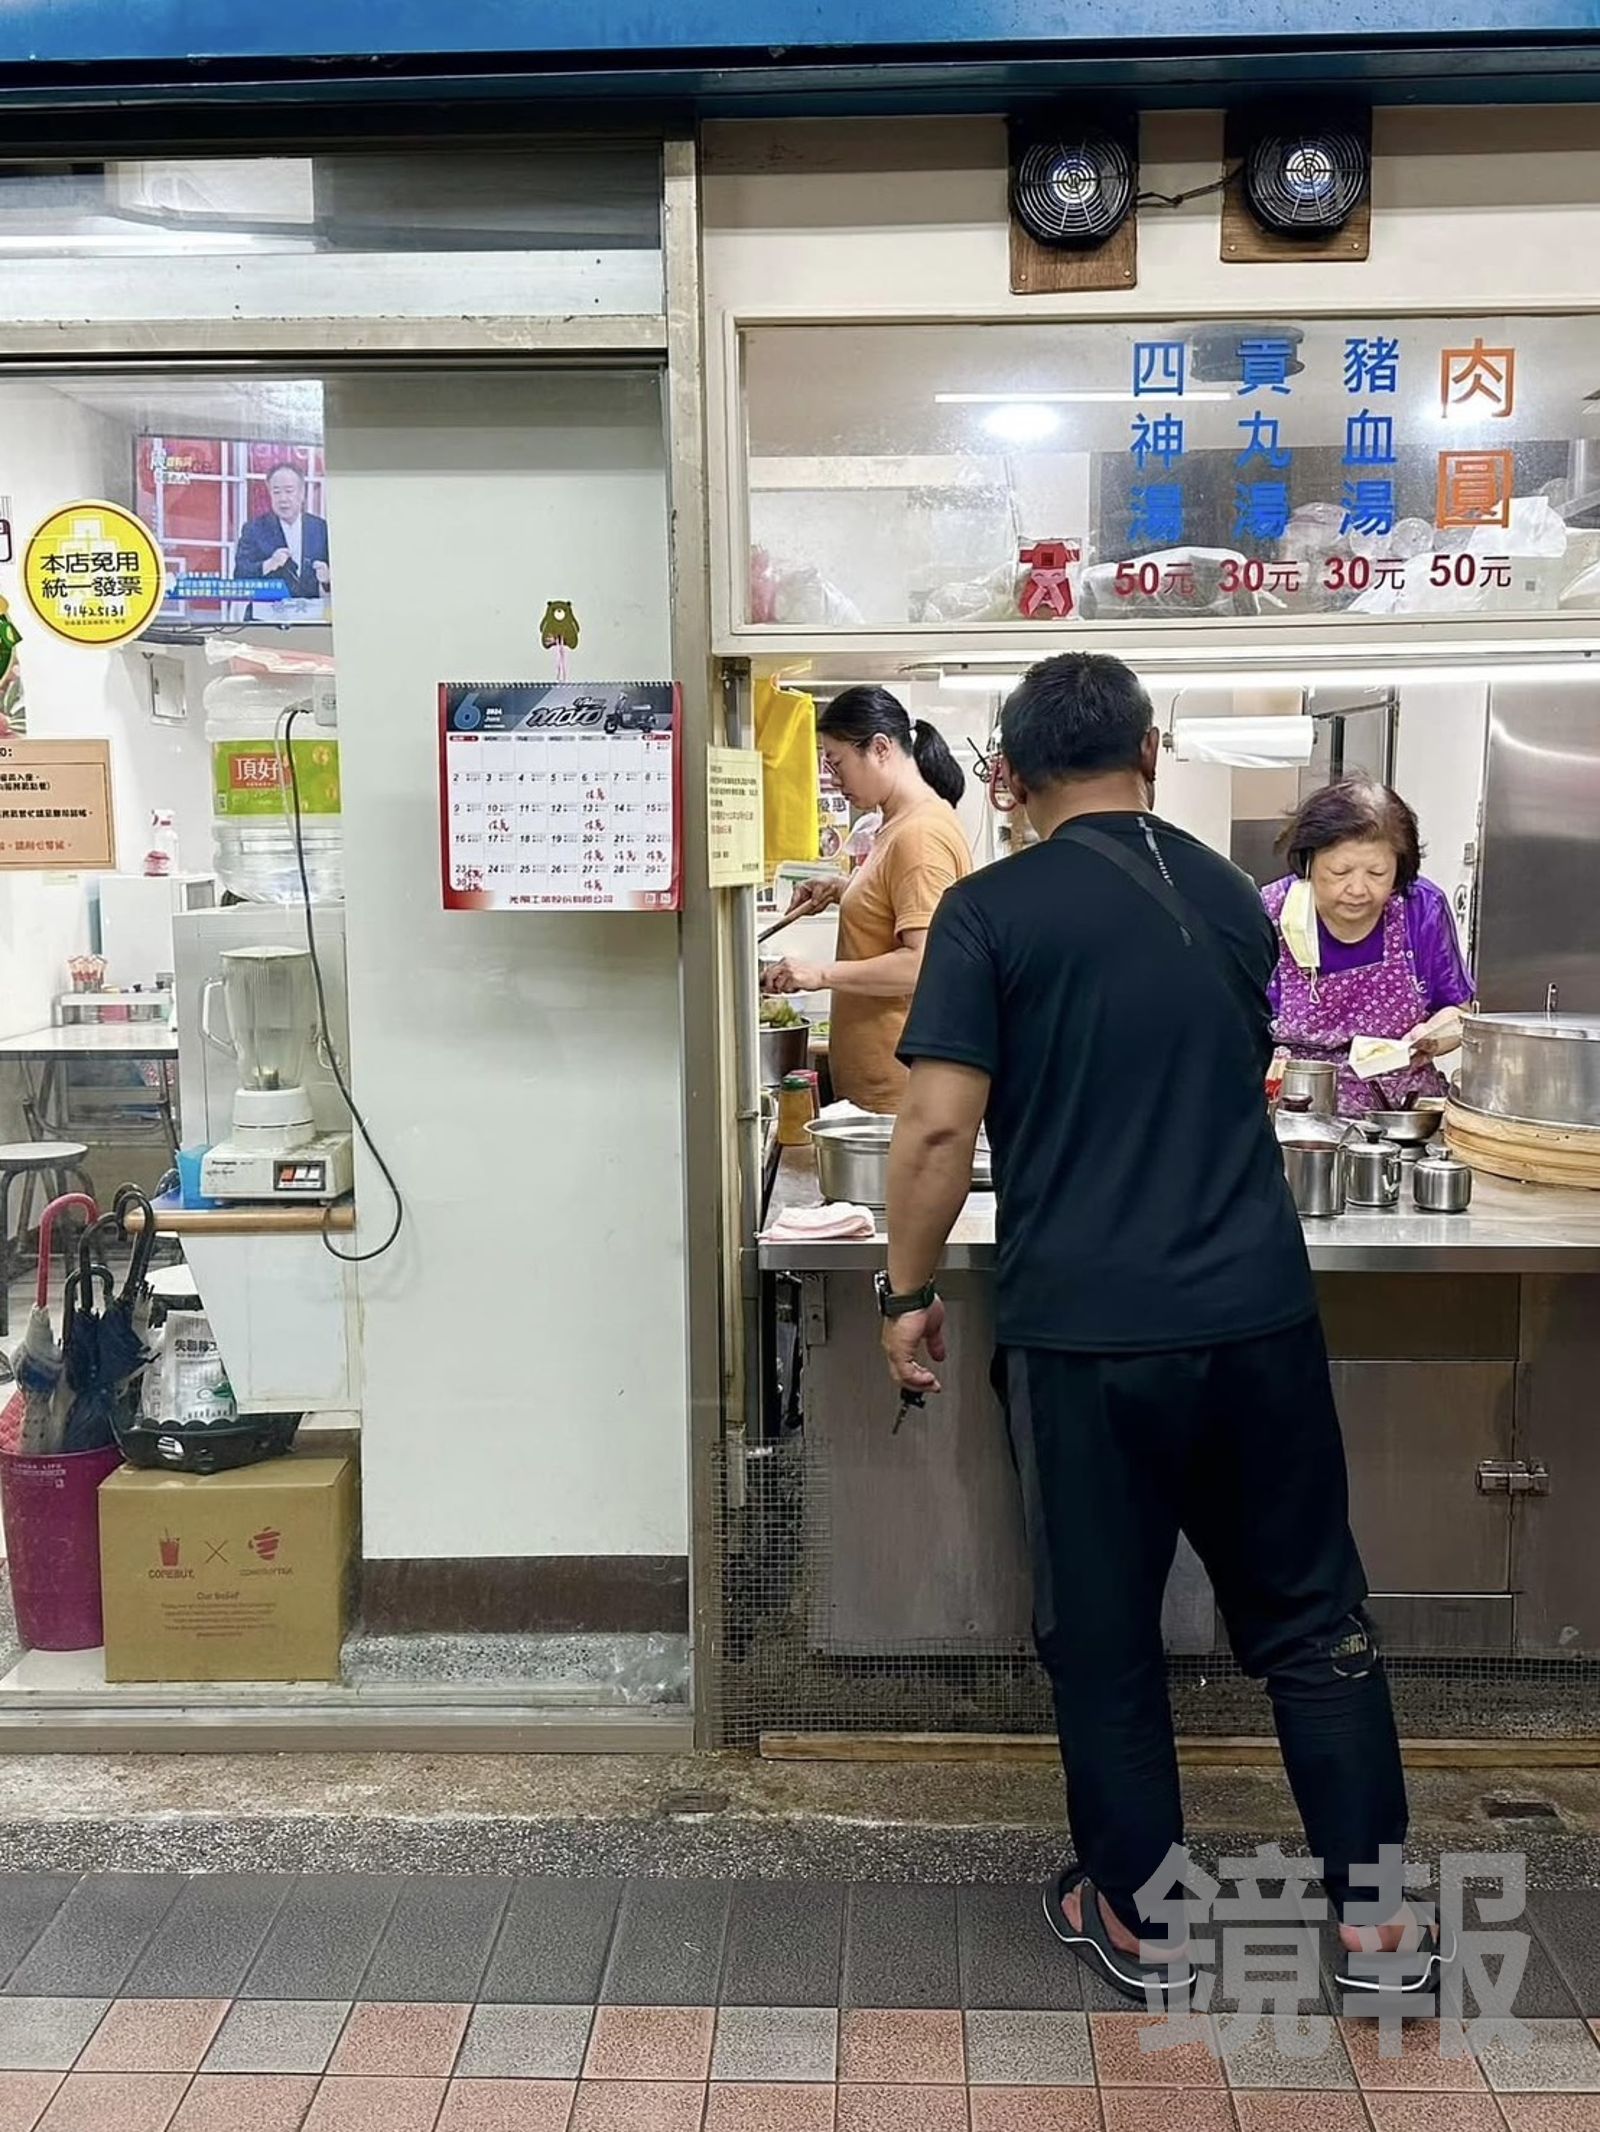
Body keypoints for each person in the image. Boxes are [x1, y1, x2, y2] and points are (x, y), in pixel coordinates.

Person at [878, 652, 1448, 2006]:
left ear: (1007, 777)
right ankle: (1377, 1927)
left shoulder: (992, 911)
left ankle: (1144, 1918)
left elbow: (939, 1124)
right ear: (1152, 746)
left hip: (1090, 1335)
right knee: (1314, 1618)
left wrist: (905, 1296)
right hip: (1256, 1314)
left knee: (1108, 1631)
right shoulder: (1226, 893)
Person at [764, 687, 970, 1113]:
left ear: (879, 748)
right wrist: (844, 891)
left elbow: (922, 965)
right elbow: (894, 908)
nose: (834, 781)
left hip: (901, 1095)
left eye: (837, 764)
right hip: (881, 1090)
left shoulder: (920, 835)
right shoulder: (895, 825)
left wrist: (819, 973)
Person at [1263, 780, 1474, 1115]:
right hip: (1297, 1109)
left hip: (1399, 1112)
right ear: (1308, 862)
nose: (1358, 889)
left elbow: (1458, 1013)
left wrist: (1427, 1039)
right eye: (1340, 871)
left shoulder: (1421, 908)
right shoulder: (1272, 912)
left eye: (1377, 873)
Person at [233, 462, 331, 611]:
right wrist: (268, 564)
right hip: (266, 618)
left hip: (310, 618)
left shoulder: (321, 529)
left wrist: (327, 580)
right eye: (276, 492)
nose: (283, 498)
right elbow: (240, 577)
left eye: (289, 491)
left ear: (302, 493)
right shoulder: (254, 529)